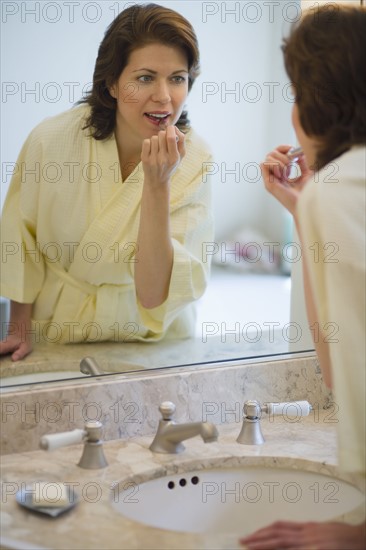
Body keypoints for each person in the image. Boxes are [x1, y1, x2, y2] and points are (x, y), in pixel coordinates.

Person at [0, 3, 214, 361]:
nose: (164, 96)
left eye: (177, 77)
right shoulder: (51, 140)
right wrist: (18, 327)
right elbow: (21, 237)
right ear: (112, 82)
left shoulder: (195, 158)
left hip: (152, 340)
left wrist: (157, 185)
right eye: (145, 78)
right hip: (58, 332)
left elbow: (152, 293)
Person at [240, 4, 366, 549]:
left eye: (295, 93)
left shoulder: (340, 189)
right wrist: (301, 212)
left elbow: (339, 368)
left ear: (315, 102)